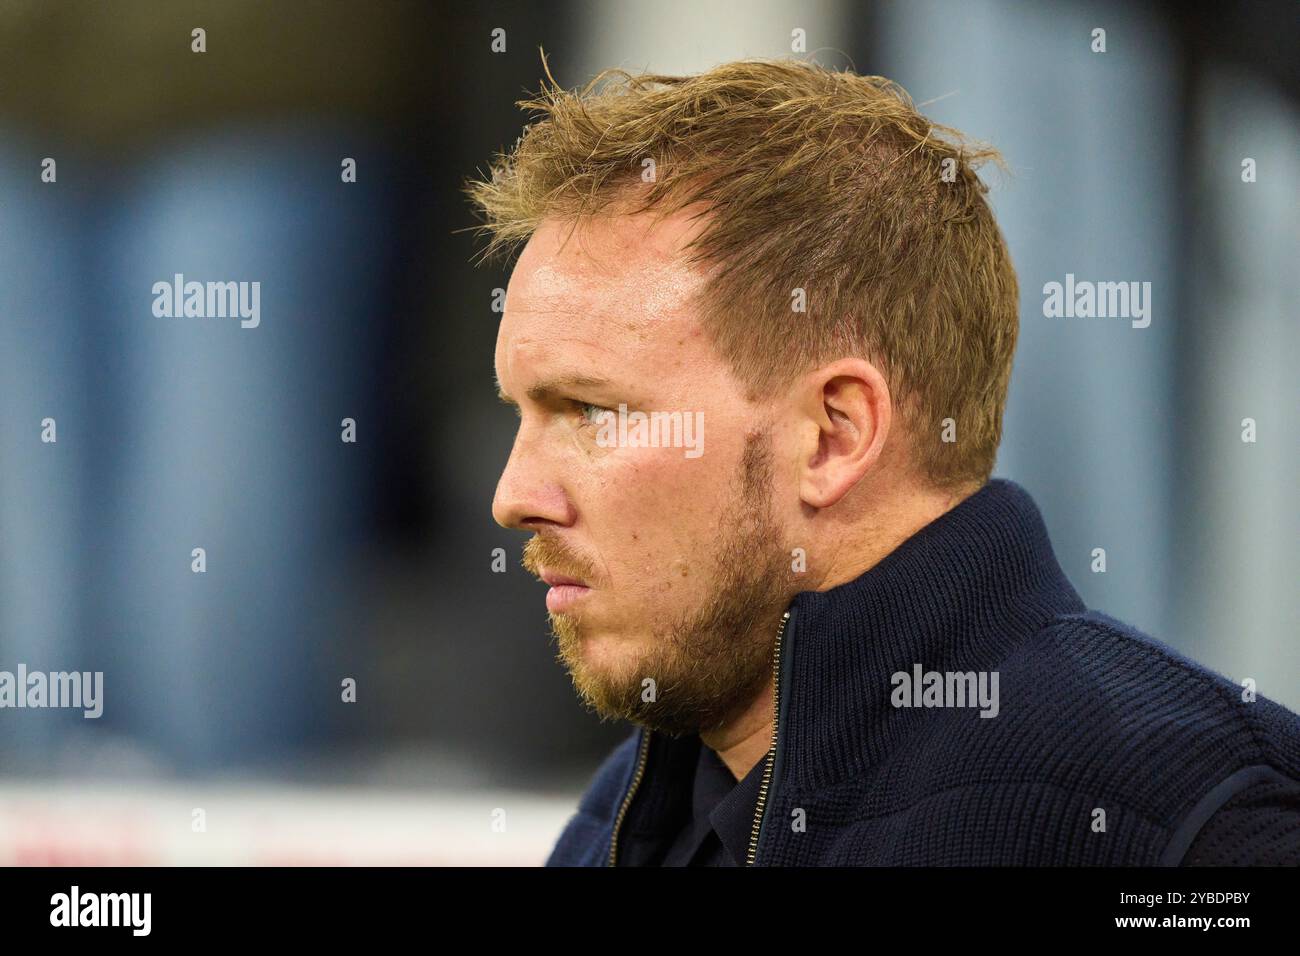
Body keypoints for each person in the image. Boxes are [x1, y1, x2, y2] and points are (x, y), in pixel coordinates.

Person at [467, 58, 1300, 866]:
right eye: (523, 414)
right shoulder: (632, 810)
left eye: (590, 412)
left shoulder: (1183, 819)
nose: (513, 497)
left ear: (832, 436)